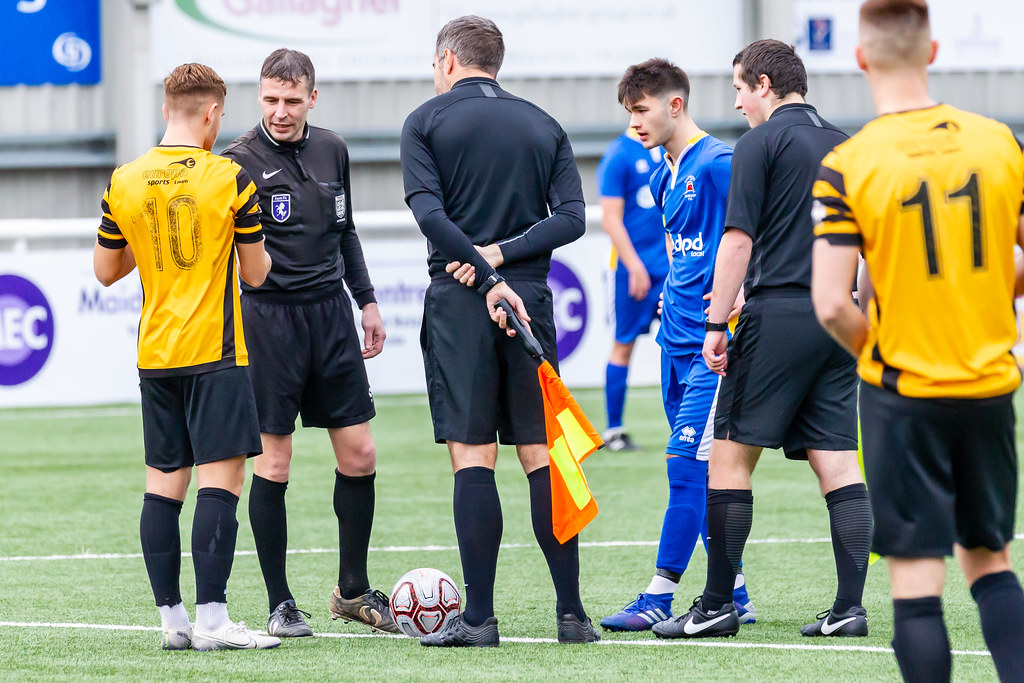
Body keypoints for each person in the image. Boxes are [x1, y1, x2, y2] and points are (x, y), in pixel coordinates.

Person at [812, 1, 1024, 679]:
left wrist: (881, 352)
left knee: (915, 579)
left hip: (901, 390)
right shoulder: (999, 142)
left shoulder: (849, 163)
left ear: (861, 59)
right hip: (989, 384)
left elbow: (830, 305)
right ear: (932, 53)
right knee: (990, 560)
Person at [657, 39, 872, 639]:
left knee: (727, 457)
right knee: (837, 461)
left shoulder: (758, 144)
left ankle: (718, 604)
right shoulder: (848, 146)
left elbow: (738, 241)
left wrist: (715, 321)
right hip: (836, 319)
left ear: (765, 86)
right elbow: (867, 249)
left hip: (775, 316)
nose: (738, 102)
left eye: (739, 89)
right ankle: (849, 609)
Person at [400, 15, 598, 647]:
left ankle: (479, 619)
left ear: (448, 62)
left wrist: (482, 271)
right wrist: (505, 259)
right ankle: (572, 615)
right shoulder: (543, 123)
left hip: (461, 300)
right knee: (542, 455)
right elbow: (572, 219)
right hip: (530, 298)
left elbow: (429, 214)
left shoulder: (425, 122)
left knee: (474, 454)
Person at [93, 62, 279, 651]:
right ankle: (214, 622)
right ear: (212, 113)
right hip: (216, 352)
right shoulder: (229, 177)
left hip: (156, 354)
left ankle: (172, 622)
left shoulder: (124, 179)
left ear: (166, 108)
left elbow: (104, 271)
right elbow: (256, 272)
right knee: (219, 484)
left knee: (162, 485)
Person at [221, 49, 397, 637]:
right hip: (268, 322)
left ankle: (351, 591)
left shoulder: (333, 148)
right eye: (271, 99)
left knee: (361, 454)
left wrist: (366, 300)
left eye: (292, 100)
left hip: (331, 318)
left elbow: (345, 231)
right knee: (274, 460)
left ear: (312, 98)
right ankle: (280, 601)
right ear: (259, 98)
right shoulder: (235, 162)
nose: (280, 111)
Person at [597, 59, 755, 633]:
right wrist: (673, 295)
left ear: (675, 105)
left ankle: (659, 594)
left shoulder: (718, 163)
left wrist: (740, 297)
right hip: (675, 341)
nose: (634, 123)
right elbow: (682, 249)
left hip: (716, 347)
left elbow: (758, 230)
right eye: (629, 112)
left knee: (685, 465)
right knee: (703, 470)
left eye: (641, 110)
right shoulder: (662, 172)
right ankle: (733, 591)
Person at [596, 127, 669, 451]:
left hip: (670, 268)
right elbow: (611, 219)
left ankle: (687, 429)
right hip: (632, 271)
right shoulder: (619, 154)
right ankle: (614, 431)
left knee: (681, 346)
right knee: (623, 345)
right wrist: (635, 265)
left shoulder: (672, 150)